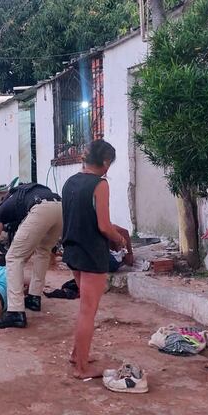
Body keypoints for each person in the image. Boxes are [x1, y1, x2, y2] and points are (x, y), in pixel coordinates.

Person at [61, 139, 125, 379]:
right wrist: (118, 239)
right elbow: (104, 226)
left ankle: (77, 354)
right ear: (106, 162)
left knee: (84, 308)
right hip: (91, 254)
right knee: (88, 311)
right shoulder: (100, 184)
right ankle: (82, 368)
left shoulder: (70, 182)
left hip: (73, 251)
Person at [0, 181, 63, 329]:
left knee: (13, 258)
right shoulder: (26, 195)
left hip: (41, 208)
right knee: (43, 251)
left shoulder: (2, 212)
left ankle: (15, 311)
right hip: (60, 207)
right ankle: (34, 298)